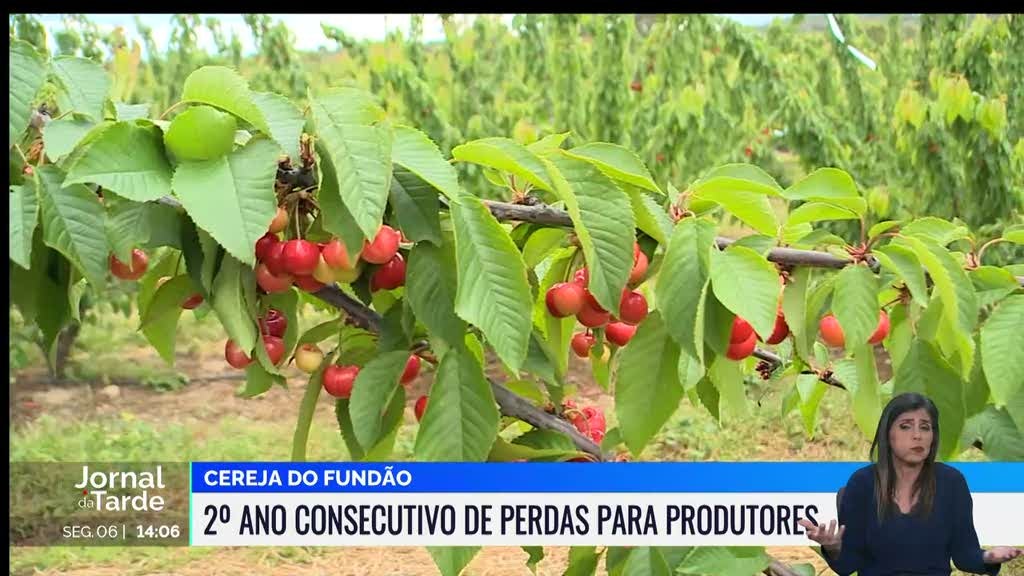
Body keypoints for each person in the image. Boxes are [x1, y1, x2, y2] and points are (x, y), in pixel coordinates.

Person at [798, 392, 1022, 576]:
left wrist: (989, 557)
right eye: (906, 426)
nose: (917, 436)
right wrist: (833, 546)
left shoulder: (951, 483)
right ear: (888, 434)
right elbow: (848, 565)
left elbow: (965, 556)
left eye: (925, 427)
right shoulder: (863, 483)